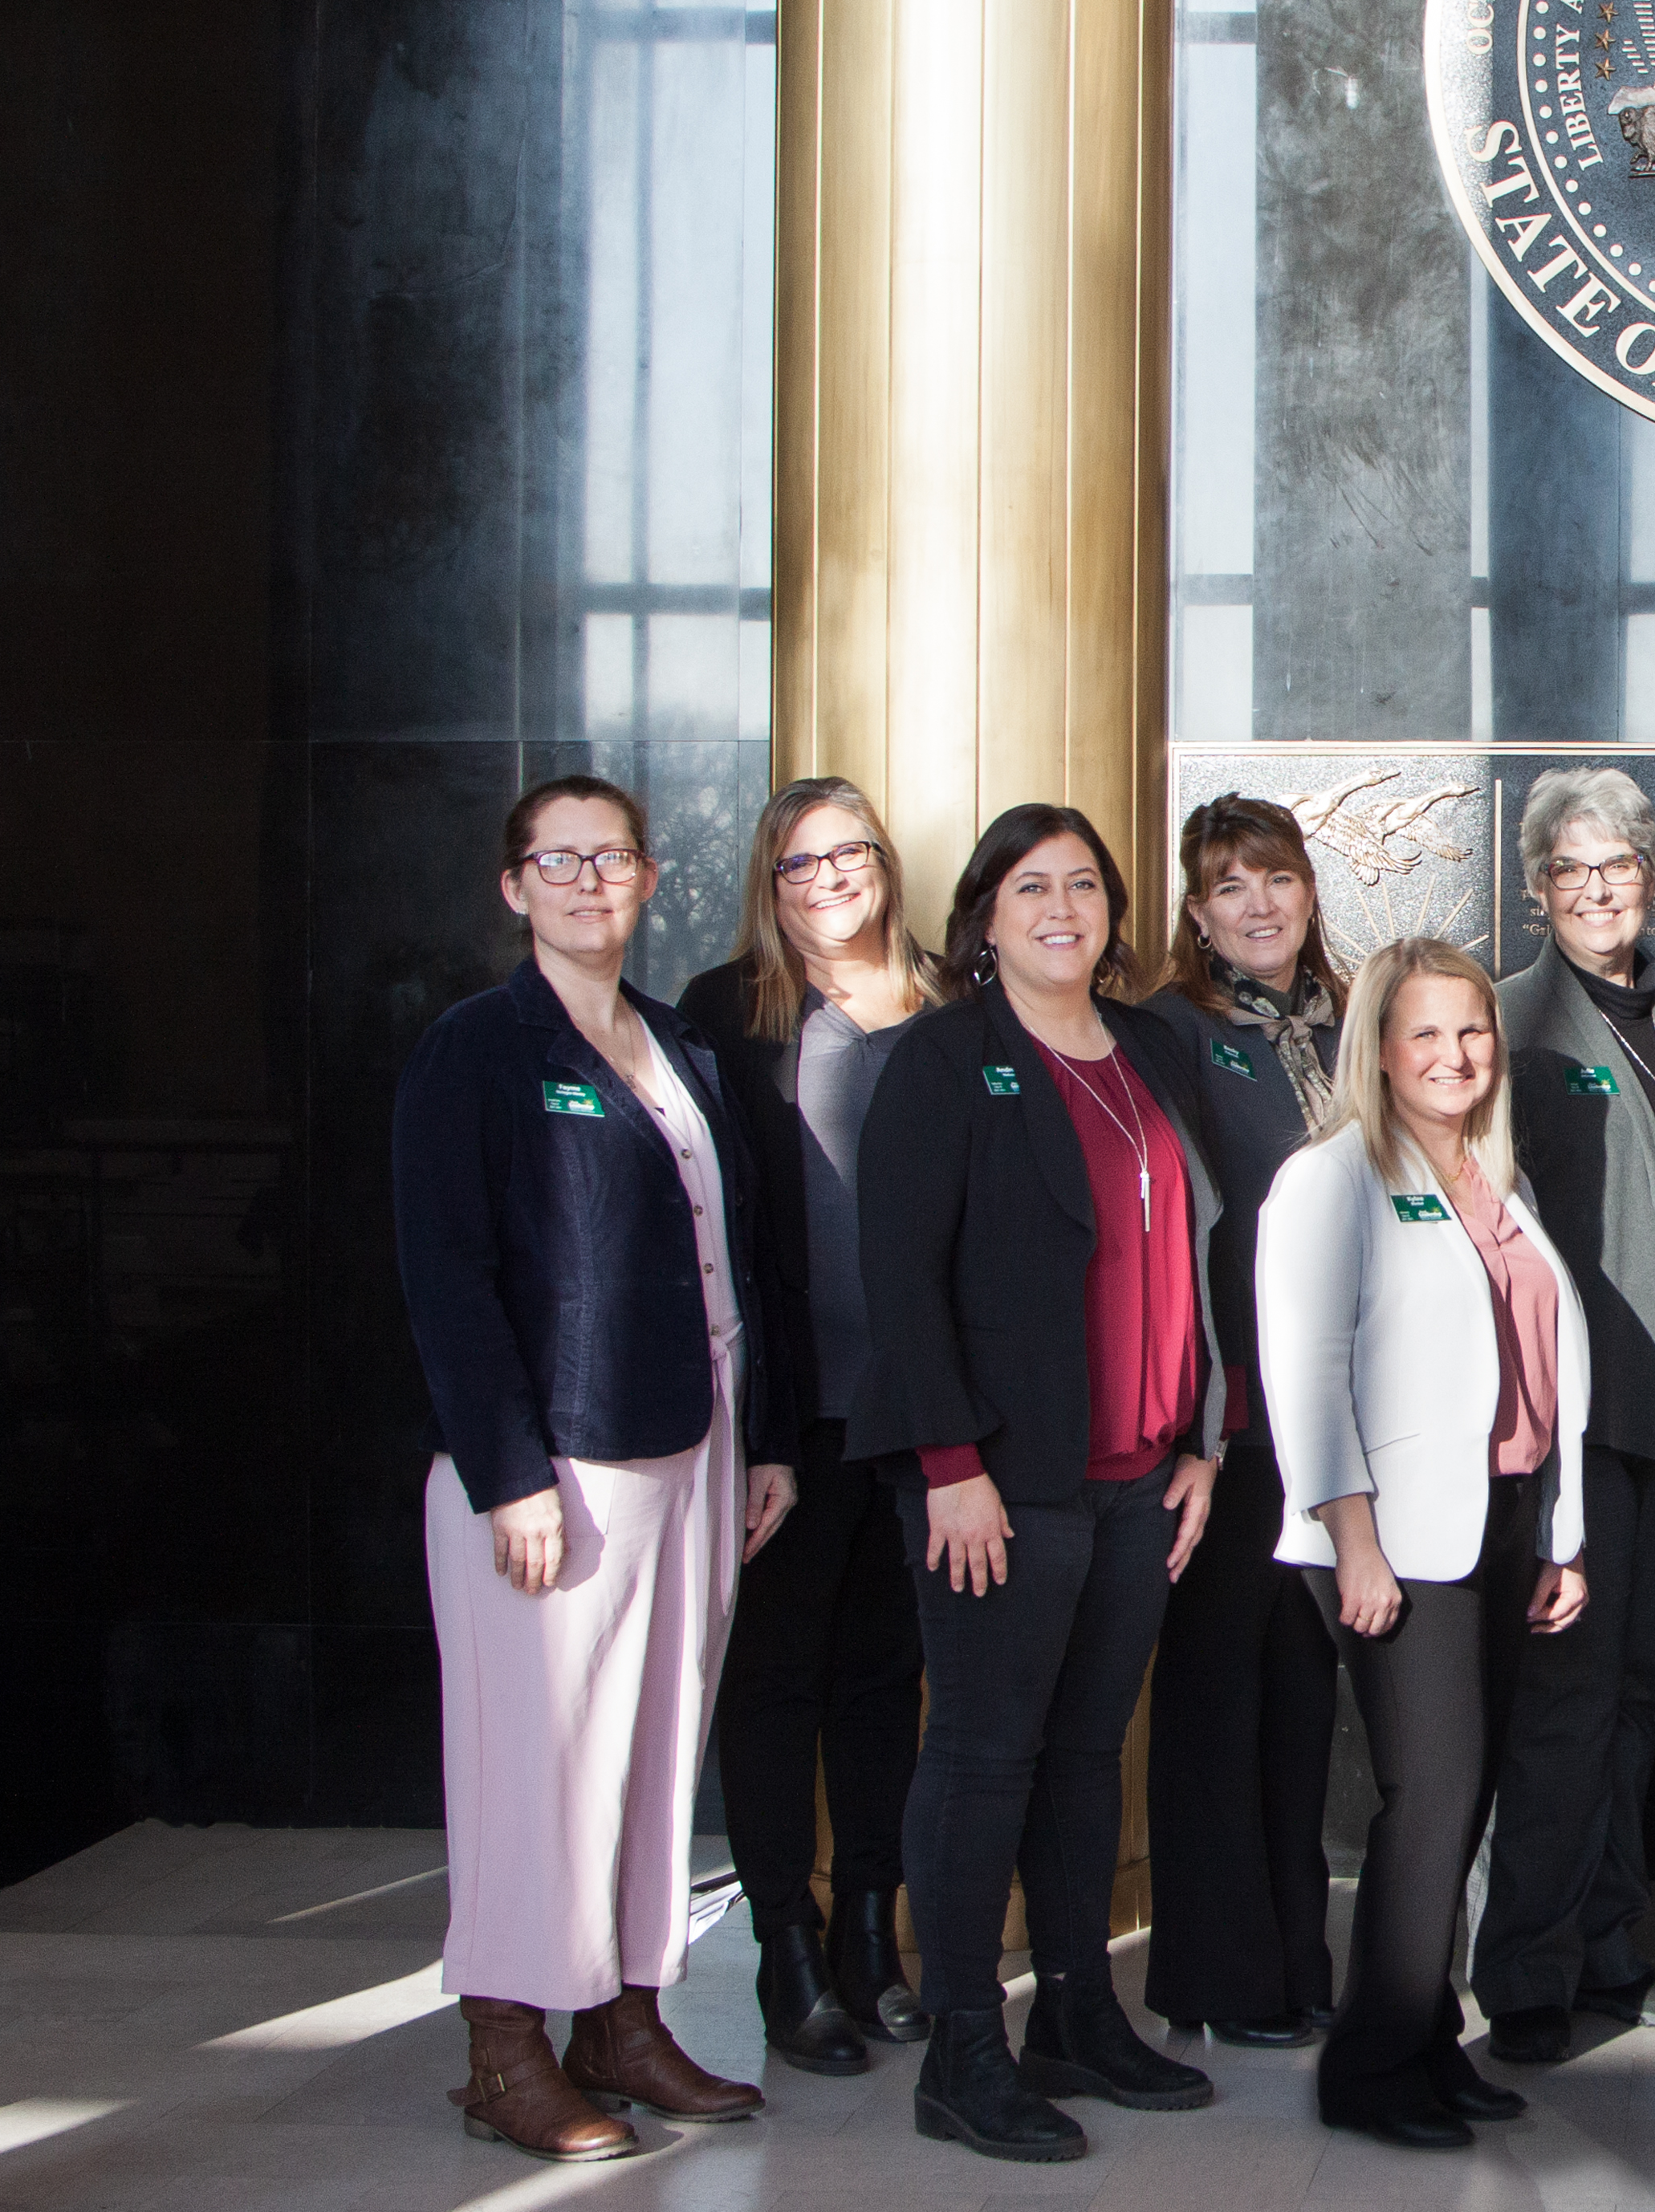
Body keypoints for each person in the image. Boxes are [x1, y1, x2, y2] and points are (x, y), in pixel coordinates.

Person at [393, 775, 798, 2160]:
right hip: (555, 1465)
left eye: (609, 858)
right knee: (537, 1766)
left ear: (644, 879)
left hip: (699, 1440)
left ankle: (621, 2024)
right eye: (554, 861)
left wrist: (768, 1445)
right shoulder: (478, 1051)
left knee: (652, 1754)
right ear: (515, 889)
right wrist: (506, 1473)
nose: (585, 881)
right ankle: (505, 2052)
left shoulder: (676, 1042)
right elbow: (447, 1278)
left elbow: (736, 1251)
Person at [852, 805, 1225, 2163]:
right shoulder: (948, 1060)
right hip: (1003, 1479)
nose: (1061, 906)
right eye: (1031, 886)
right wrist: (948, 1465)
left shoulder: (1150, 1051)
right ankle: (964, 2044)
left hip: (1138, 1478)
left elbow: (1193, 1254)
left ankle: (1075, 2009)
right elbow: (900, 1274)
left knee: (1083, 1757)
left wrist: (1203, 1441)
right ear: (985, 917)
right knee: (982, 1754)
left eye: (1083, 884)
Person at [1257, 937, 1592, 2151]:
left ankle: (1425, 2045)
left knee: (1466, 1796)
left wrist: (1560, 1533)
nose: (1455, 1055)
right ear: (1380, 1051)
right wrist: (1353, 1540)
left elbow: (1540, 1369)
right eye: (1426, 1035)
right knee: (1429, 1796)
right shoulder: (1331, 1179)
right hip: (1393, 1533)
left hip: (1498, 1520)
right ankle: (1370, 2069)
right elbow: (1307, 1374)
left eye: (1473, 1032)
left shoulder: (1491, 1173)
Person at [1474, 770, 1655, 2060]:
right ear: (1536, 888)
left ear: (1651, 876)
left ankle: (1610, 1948)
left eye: (1618, 867)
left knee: (1635, 1693)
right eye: (1570, 872)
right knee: (1567, 1702)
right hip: (1585, 1426)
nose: (1596, 890)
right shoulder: (1508, 1022)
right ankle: (1529, 1975)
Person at [684, 777, 945, 2076]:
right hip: (790, 1420)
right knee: (777, 1683)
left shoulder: (960, 1001)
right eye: (798, 864)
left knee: (884, 1688)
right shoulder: (727, 1014)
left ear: (884, 865)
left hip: (926, 1424)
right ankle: (786, 1944)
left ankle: (872, 1939)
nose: (828, 879)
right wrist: (753, 1430)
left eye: (848, 854)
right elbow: (707, 1234)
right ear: (769, 886)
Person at [1132, 795, 1348, 2051]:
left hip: (1335, 1426)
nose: (1258, 905)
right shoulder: (1170, 1033)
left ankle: (1294, 1959)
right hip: (1230, 1424)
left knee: (1303, 1698)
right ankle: (1216, 1976)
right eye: (1229, 887)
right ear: (1197, 913)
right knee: (1217, 1693)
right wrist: (1201, 1416)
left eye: (1276, 879)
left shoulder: (1348, 1019)